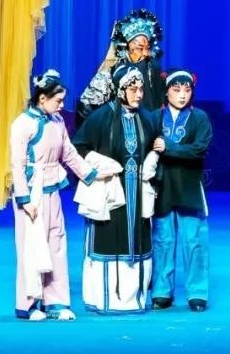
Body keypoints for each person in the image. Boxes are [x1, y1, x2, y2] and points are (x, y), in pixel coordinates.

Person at [72, 64, 162, 314]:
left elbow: (156, 145)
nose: (139, 94)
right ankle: (104, 299)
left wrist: (154, 155)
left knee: (138, 238)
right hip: (110, 191)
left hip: (138, 193)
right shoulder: (101, 117)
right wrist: (99, 164)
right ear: (120, 90)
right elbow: (78, 147)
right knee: (108, 238)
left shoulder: (147, 118)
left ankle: (134, 299)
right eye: (133, 89)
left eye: (141, 89)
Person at [9, 69, 98, 320]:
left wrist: (91, 175)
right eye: (58, 100)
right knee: (31, 247)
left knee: (56, 243)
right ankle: (29, 303)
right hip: (32, 193)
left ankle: (56, 301)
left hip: (52, 189)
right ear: (42, 99)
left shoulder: (57, 121)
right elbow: (17, 164)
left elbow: (68, 153)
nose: (61, 105)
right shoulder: (22, 124)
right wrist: (24, 199)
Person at [151, 69, 213, 312]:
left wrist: (169, 147)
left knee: (194, 240)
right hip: (163, 184)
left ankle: (197, 293)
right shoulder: (155, 117)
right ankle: (161, 291)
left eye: (187, 90)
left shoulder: (200, 118)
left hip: (189, 184)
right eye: (176, 90)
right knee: (162, 240)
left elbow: (199, 149)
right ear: (166, 91)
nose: (182, 95)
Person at [76, 9, 166, 128]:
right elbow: (86, 110)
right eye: (139, 48)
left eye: (147, 48)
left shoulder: (152, 67)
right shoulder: (111, 72)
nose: (145, 53)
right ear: (126, 47)